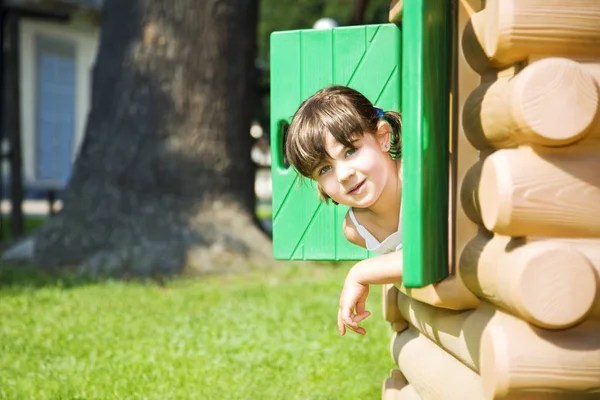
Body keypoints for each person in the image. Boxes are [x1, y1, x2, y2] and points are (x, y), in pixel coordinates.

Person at [285, 85, 404, 336]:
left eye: (350, 151)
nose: (343, 174)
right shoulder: (356, 229)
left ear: (383, 137)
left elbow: (436, 254)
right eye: (324, 169)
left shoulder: (419, 178)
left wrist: (359, 273)